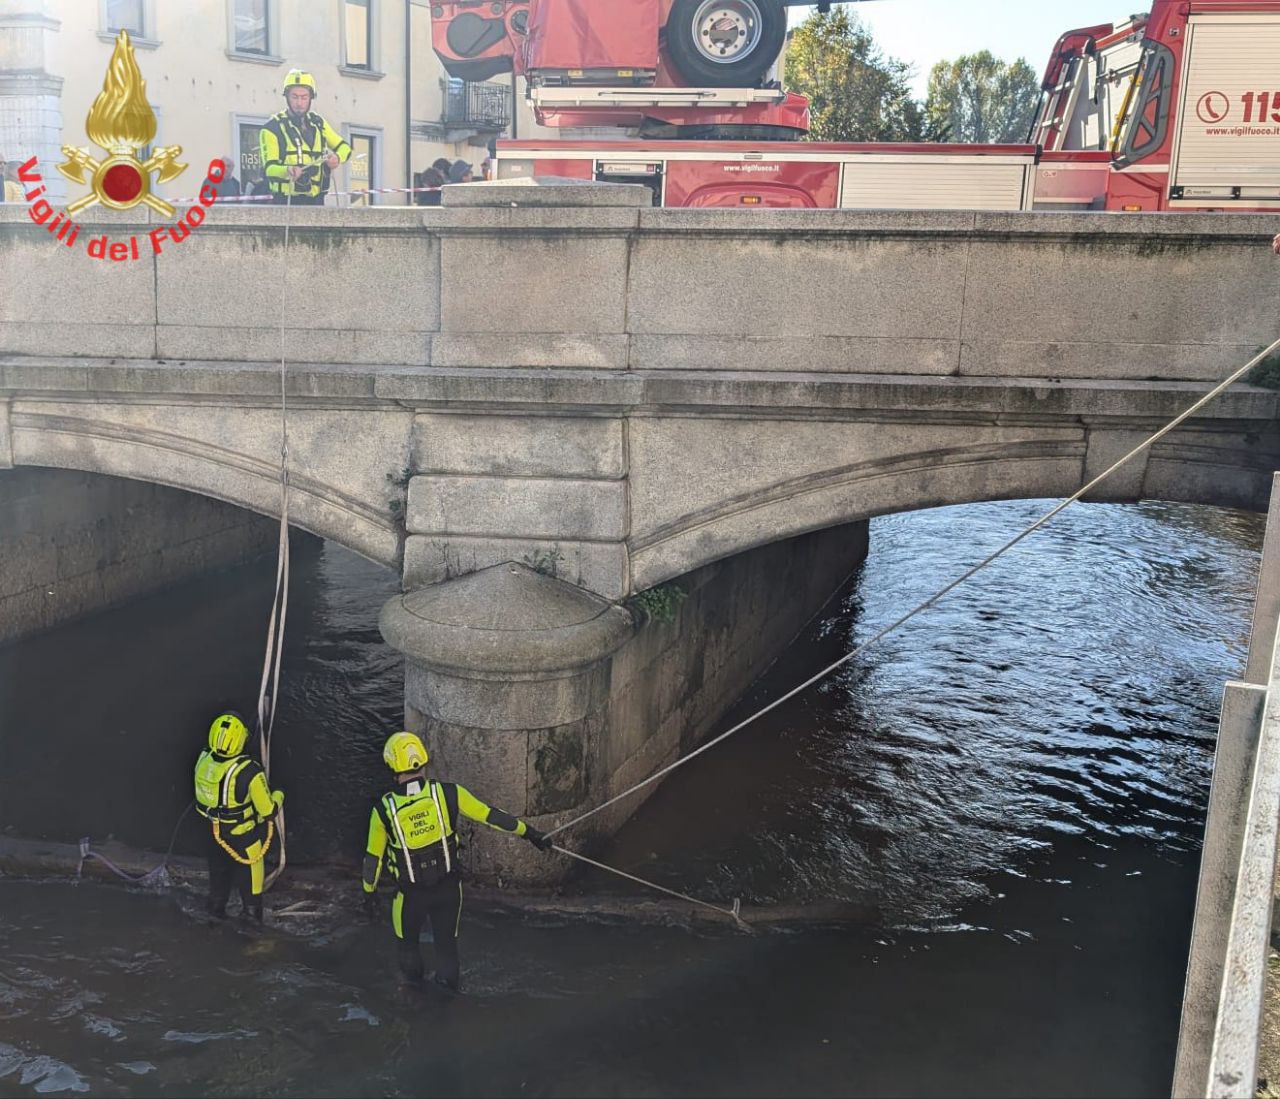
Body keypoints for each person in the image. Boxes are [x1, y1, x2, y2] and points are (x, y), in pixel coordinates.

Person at [361, 731, 552, 992]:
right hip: (448, 890)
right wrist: (530, 833)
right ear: (422, 763)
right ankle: (448, 1002)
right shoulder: (449, 793)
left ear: (392, 767)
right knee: (447, 947)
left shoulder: (383, 810)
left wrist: (368, 894)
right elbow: (491, 816)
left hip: (410, 896)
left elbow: (373, 859)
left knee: (407, 947)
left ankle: (414, 999)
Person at [193, 711, 284, 922]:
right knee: (252, 892)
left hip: (213, 835)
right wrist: (280, 793)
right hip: (243, 839)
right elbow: (268, 810)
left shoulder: (203, 758)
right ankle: (253, 939)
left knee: (217, 887)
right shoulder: (249, 771)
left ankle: (213, 926)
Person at [259, 69, 352, 206]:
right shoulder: (272, 128)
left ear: (310, 98)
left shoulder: (318, 123)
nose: (299, 103)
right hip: (285, 201)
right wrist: (287, 170)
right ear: (287, 97)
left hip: (317, 200)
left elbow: (345, 148)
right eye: (294, 97)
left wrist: (337, 158)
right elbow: (269, 168)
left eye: (304, 97)